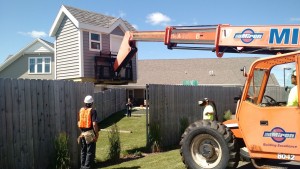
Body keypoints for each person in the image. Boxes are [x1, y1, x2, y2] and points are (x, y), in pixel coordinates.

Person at [78, 95, 99, 169]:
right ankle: (87, 167)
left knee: (83, 150)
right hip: (89, 133)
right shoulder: (93, 111)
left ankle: (82, 166)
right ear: (92, 102)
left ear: (84, 102)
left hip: (82, 133)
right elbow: (94, 124)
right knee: (90, 151)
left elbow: (79, 122)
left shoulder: (81, 110)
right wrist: (96, 134)